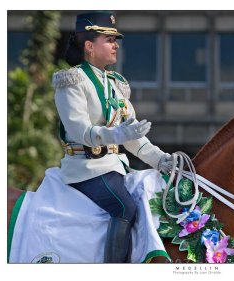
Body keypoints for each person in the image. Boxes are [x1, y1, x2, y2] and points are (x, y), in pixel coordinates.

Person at [52, 11, 173, 263]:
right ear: (89, 46)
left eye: (115, 39)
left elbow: (135, 139)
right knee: (124, 207)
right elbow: (79, 132)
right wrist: (117, 133)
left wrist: (161, 160)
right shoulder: (72, 81)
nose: (115, 44)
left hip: (114, 168)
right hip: (84, 169)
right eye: (108, 40)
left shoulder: (117, 84)